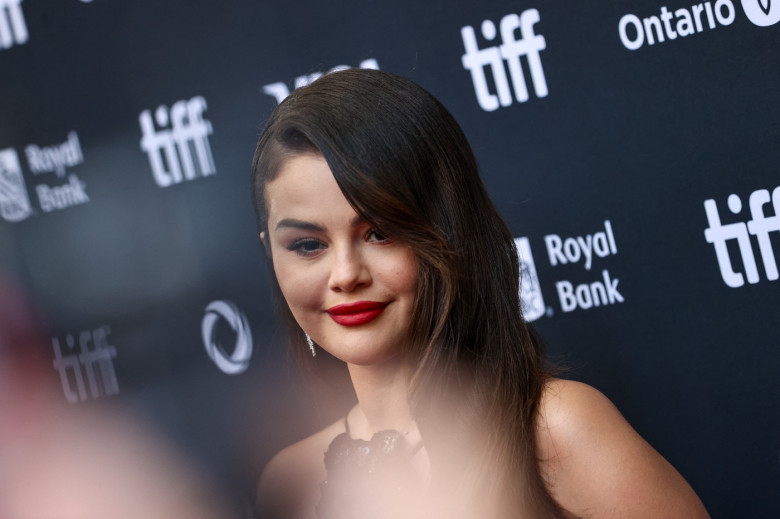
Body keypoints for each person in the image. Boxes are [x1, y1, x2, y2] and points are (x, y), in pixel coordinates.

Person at [251, 69, 709, 519]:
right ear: (271, 254)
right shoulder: (288, 483)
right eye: (308, 245)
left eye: (380, 232)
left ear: (448, 228)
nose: (346, 275)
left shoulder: (557, 430)